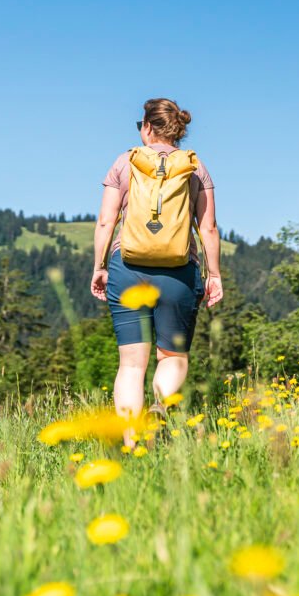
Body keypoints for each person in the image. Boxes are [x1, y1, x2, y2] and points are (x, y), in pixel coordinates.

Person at [90, 98, 223, 442]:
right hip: (179, 271)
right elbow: (207, 228)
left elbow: (107, 220)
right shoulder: (195, 167)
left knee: (132, 365)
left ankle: (132, 442)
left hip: (128, 266)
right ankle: (160, 409)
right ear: (179, 129)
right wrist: (215, 275)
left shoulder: (125, 162)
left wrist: (99, 266)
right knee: (172, 356)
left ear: (147, 127)